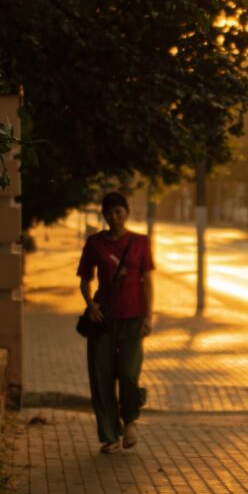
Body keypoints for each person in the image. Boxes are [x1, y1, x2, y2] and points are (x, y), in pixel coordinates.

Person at [78, 192, 155, 454]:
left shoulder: (140, 242)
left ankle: (130, 421)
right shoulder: (94, 244)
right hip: (103, 319)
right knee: (101, 378)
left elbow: (148, 281)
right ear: (104, 215)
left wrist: (148, 316)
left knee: (128, 374)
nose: (114, 217)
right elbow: (84, 280)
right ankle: (110, 435)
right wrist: (90, 305)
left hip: (133, 319)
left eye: (119, 212)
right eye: (109, 213)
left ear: (127, 212)